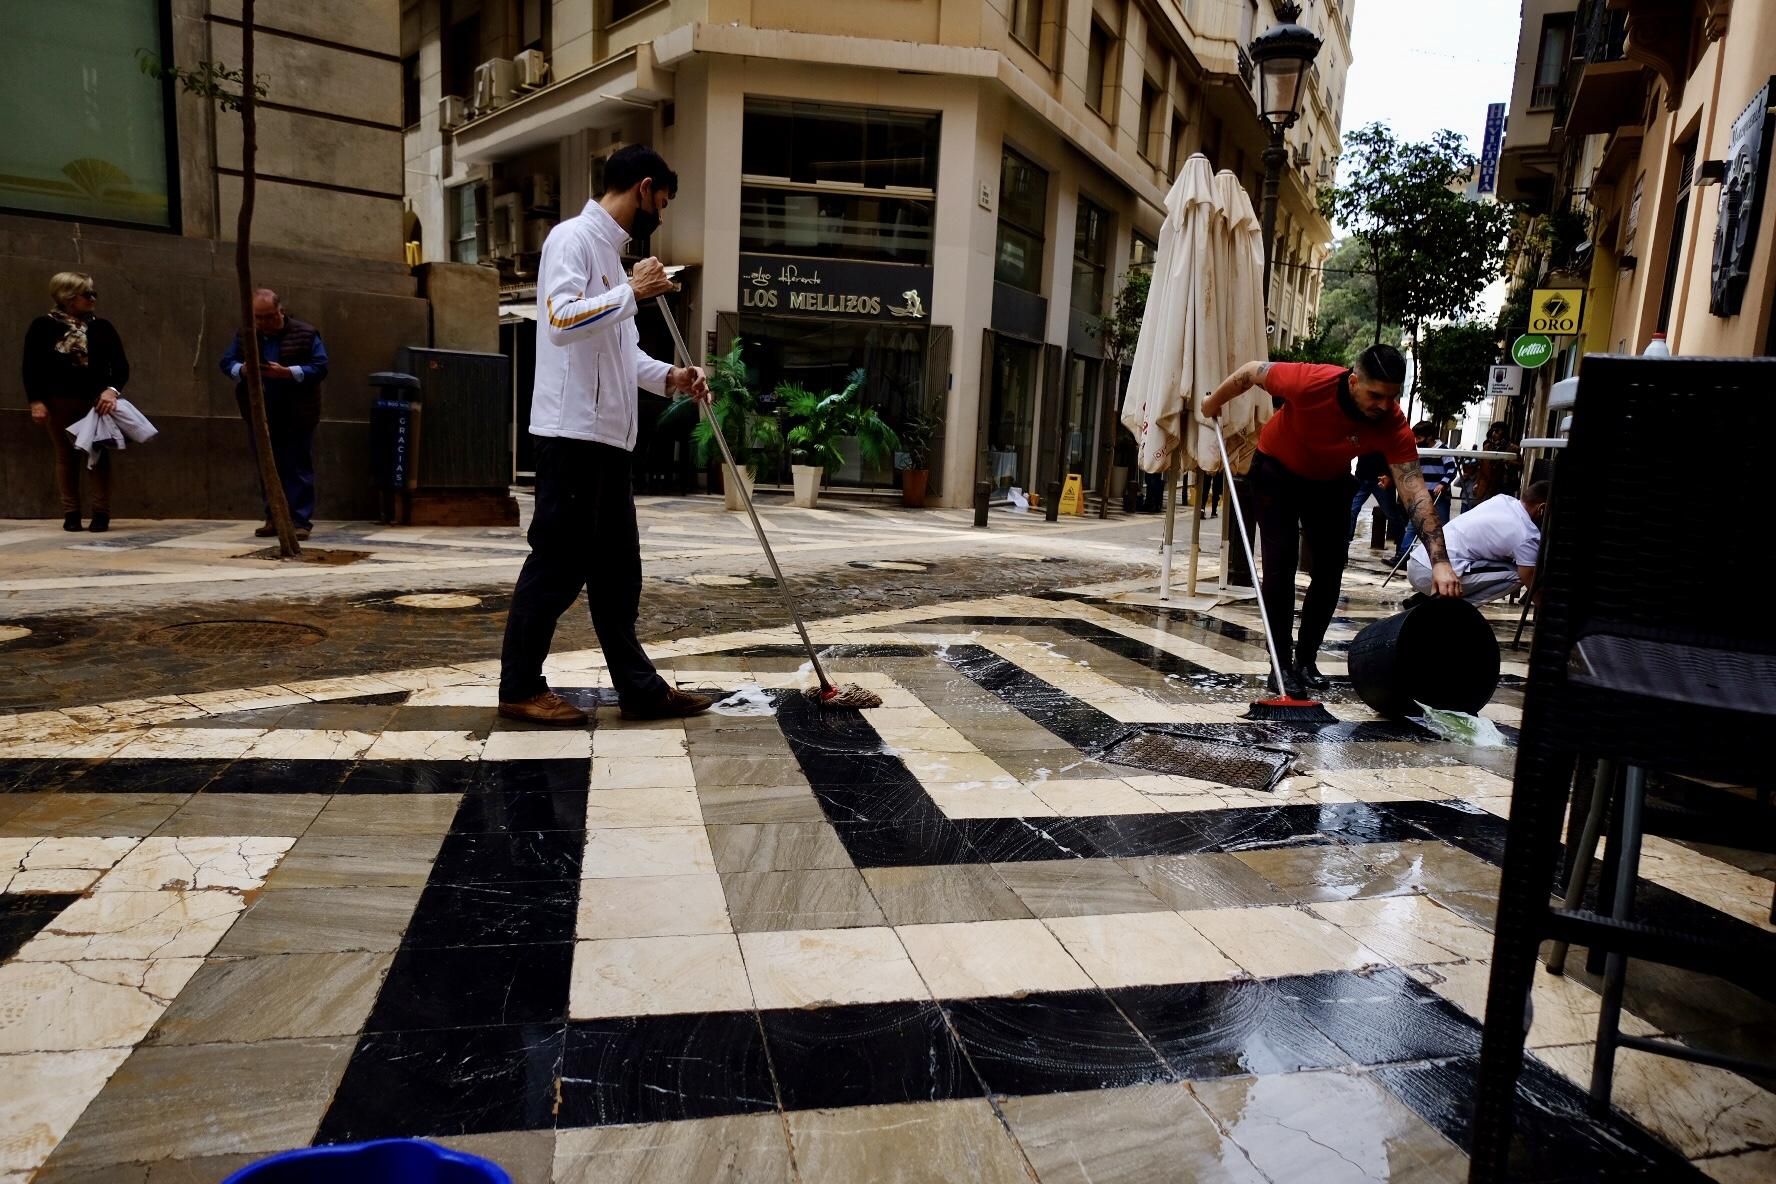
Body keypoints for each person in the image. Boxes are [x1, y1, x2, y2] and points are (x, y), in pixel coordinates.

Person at [497, 145, 714, 726]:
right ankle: (519, 686)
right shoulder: (571, 239)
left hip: (609, 443)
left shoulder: (614, 259)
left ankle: (639, 688)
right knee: (558, 566)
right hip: (571, 436)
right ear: (644, 189)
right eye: (662, 203)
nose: (661, 216)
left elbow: (620, 354)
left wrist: (671, 377)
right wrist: (633, 294)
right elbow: (562, 320)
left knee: (619, 571)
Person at [1203, 344, 1460, 695]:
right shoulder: (1309, 381)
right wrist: (1213, 402)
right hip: (1277, 471)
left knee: (1329, 569)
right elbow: (1250, 371)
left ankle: (1306, 660)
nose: (1383, 405)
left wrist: (1440, 562)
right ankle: (1280, 664)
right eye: (1375, 395)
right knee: (1281, 566)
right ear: (1354, 382)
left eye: (1391, 396)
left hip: (1328, 481)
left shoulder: (1391, 422)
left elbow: (1414, 491)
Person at [22, 272, 130, 533]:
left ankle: (101, 513)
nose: (92, 299)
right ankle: (71, 513)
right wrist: (36, 401)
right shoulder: (43, 327)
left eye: (94, 293)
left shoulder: (102, 327)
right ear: (68, 298)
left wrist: (111, 391)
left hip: (95, 403)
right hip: (58, 401)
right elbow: (31, 367)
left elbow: (120, 366)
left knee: (97, 455)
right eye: (87, 294)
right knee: (65, 456)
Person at [220, 290, 330, 540]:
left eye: (268, 317)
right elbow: (227, 362)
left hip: (298, 411)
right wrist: (243, 370)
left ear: (280, 311)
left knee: (297, 465)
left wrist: (289, 372)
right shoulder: (246, 334)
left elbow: (320, 367)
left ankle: (300, 520)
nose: (263, 323)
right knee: (268, 465)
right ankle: (274, 516)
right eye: (258, 318)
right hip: (260, 411)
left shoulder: (306, 333)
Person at [1409, 481, 1548, 605]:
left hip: (1420, 561)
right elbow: (1529, 577)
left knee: (1509, 566)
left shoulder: (1503, 500)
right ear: (1542, 509)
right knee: (1518, 574)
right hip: (1432, 574)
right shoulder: (1527, 534)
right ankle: (1450, 609)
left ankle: (1428, 601)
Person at [1397, 421, 1454, 560]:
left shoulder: (1443, 449)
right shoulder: (1418, 450)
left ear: (1429, 437)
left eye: (1419, 438)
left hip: (1438, 495)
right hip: (1422, 494)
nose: (1416, 441)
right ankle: (1402, 557)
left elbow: (1452, 469)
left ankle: (1445, 557)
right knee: (1413, 526)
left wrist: (1442, 484)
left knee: (1442, 527)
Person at [1349, 450, 1404, 541]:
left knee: (1392, 514)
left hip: (1381, 478)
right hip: (1362, 477)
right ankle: (1345, 547)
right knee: (1351, 511)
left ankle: (1402, 550)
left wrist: (1390, 475)